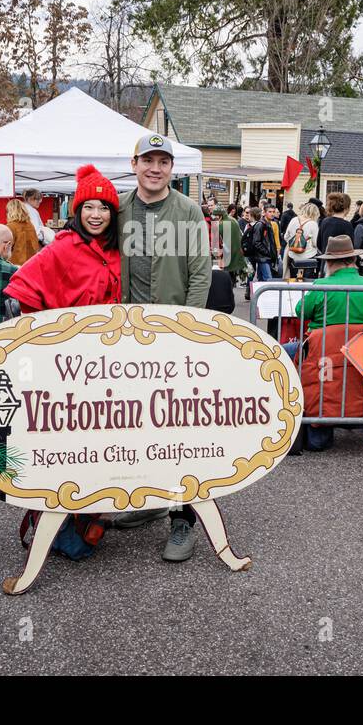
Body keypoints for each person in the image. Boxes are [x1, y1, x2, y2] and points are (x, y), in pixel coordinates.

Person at [109, 133, 212, 563]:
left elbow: (200, 275)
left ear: (172, 168)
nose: (155, 168)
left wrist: (185, 332)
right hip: (128, 340)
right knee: (135, 425)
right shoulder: (118, 210)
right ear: (134, 163)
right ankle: (145, 501)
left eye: (163, 161)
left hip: (174, 339)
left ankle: (183, 518)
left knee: (180, 429)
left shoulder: (188, 212)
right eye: (148, 160)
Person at [282, 234, 363, 451]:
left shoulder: (321, 285)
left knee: (279, 353)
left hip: (322, 361)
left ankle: (289, 416)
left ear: (329, 262)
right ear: (353, 260)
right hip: (361, 359)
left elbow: (301, 311)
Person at [4, 165, 121, 312]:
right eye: (89, 207)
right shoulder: (64, 246)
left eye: (104, 208)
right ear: (79, 211)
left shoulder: (119, 246)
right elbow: (23, 285)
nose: (96, 215)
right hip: (77, 333)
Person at [283, 200, 320, 278]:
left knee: (293, 279)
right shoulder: (313, 224)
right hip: (308, 256)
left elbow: (286, 236)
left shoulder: (294, 220)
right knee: (306, 282)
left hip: (293, 255)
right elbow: (315, 243)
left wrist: (294, 243)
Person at [4, 198, 41, 266]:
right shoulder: (30, 225)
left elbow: (5, 249)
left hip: (15, 266)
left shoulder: (10, 227)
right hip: (30, 264)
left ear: (10, 211)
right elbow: (35, 246)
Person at [316, 190, 354, 256]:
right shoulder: (347, 225)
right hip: (340, 263)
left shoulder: (324, 221)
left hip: (326, 261)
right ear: (346, 208)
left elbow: (319, 244)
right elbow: (351, 247)